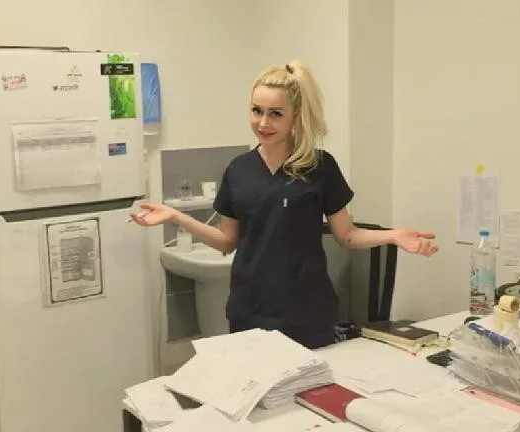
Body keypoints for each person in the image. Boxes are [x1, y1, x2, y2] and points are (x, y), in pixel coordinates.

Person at [130, 60, 439, 349]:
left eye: (276, 114)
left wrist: (393, 236)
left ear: (295, 116)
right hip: (249, 313)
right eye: (256, 111)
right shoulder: (239, 170)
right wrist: (176, 216)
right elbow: (226, 241)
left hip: (306, 315)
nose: (263, 123)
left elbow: (347, 235)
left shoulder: (319, 167)